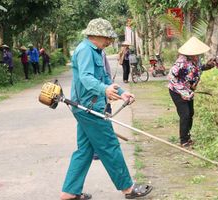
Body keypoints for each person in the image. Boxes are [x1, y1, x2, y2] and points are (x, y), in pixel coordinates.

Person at [60, 18, 152, 200]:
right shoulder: (85, 50)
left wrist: (123, 92)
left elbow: (105, 79)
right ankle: (128, 188)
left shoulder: (97, 51)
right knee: (109, 145)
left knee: (84, 150)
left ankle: (69, 192)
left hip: (90, 106)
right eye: (107, 38)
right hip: (89, 108)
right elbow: (86, 78)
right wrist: (104, 89)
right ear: (96, 35)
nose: (109, 41)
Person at [168, 36, 218, 148]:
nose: (197, 55)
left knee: (190, 113)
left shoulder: (196, 59)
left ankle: (187, 136)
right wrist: (183, 91)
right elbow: (171, 76)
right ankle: (183, 141)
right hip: (177, 91)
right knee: (185, 114)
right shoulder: (181, 62)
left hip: (189, 91)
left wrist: (209, 65)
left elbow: (199, 69)